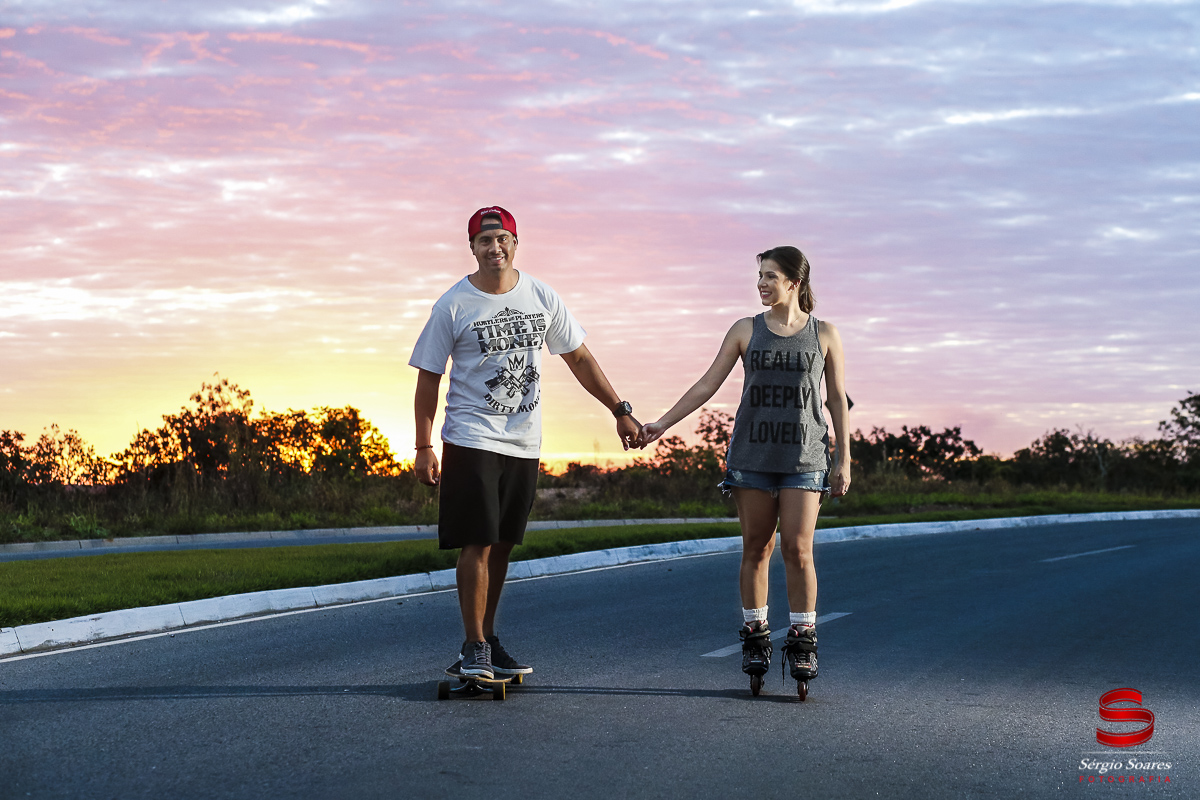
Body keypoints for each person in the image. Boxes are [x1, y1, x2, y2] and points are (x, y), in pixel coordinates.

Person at [410, 206, 642, 680]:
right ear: (472, 247)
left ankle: (487, 639)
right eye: (484, 241)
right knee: (475, 541)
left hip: (523, 441)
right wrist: (423, 445)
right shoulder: (452, 305)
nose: (495, 248)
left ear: (516, 243)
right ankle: (473, 645)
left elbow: (578, 358)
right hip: (470, 437)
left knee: (501, 544)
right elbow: (428, 378)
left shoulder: (541, 296)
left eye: (503, 240)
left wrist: (619, 410)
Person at [638, 246, 849, 687]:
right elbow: (707, 384)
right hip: (752, 457)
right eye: (759, 277)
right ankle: (756, 635)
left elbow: (835, 400)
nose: (762, 284)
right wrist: (661, 422)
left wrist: (844, 457)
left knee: (798, 548)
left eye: (770, 276)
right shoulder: (744, 330)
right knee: (757, 547)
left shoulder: (824, 334)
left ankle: (803, 639)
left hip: (805, 458)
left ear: (795, 281)